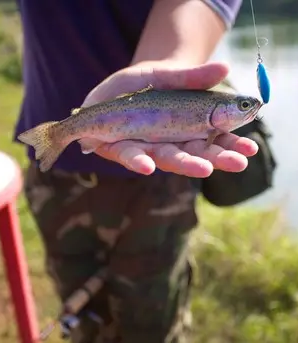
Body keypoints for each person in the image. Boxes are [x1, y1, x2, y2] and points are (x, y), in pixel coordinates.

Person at [14, 0, 258, 342]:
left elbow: (190, 18)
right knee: (84, 317)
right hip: (56, 181)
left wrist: (162, 68)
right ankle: (58, 134)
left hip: (153, 189)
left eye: (245, 107)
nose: (248, 110)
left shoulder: (207, 120)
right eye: (243, 106)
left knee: (151, 327)